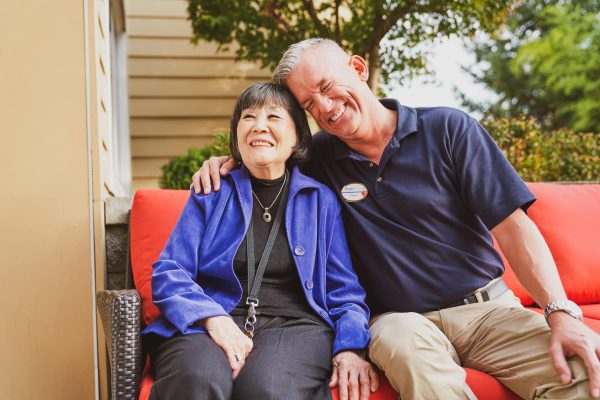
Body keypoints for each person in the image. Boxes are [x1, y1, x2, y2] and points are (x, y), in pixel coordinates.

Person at [192, 38, 600, 400]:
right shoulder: (318, 158)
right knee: (406, 349)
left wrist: (560, 312)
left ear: (357, 68)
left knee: (584, 371)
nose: (326, 108)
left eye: (327, 87)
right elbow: (267, 161)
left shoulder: (448, 129)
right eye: (309, 105)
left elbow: (513, 228)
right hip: (400, 321)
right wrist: (224, 164)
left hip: (488, 310)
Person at [143, 82, 379, 400]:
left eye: (273, 117)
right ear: (237, 135)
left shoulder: (320, 200)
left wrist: (351, 346)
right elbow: (169, 272)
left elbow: (344, 291)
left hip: (296, 326)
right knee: (197, 379)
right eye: (248, 117)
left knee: (266, 390)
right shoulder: (212, 190)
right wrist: (212, 318)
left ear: (297, 136)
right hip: (211, 318)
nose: (259, 126)